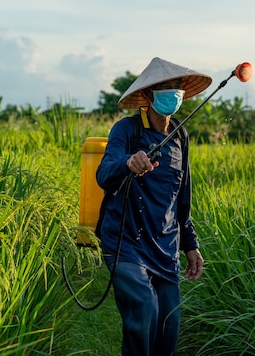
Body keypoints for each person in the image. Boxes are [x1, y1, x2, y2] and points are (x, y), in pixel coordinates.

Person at [96, 57, 212, 356]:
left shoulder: (180, 136)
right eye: (164, 87)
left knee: (168, 328)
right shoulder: (127, 130)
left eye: (176, 86)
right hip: (125, 243)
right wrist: (128, 162)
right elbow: (104, 173)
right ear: (147, 96)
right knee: (144, 310)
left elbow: (181, 197)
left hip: (165, 246)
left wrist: (190, 243)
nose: (172, 92)